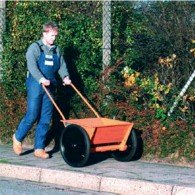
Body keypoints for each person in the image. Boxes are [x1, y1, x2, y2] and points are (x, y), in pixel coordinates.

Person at [13, 22, 71, 159]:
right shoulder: (35, 47)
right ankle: (17, 137)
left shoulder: (57, 50)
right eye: (52, 36)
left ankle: (39, 148)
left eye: (55, 36)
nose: (54, 38)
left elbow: (62, 65)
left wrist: (65, 77)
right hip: (35, 84)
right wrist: (41, 79)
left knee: (46, 118)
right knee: (32, 115)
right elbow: (32, 66)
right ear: (44, 33)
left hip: (50, 85)